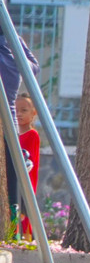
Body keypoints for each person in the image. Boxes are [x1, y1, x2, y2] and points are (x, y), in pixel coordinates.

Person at [6, 92, 40, 238]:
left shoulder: (32, 135)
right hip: (11, 177)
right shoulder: (10, 134)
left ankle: (22, 236)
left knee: (23, 210)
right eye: (16, 109)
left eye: (24, 110)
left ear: (33, 113)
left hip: (24, 180)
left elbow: (29, 159)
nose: (18, 114)